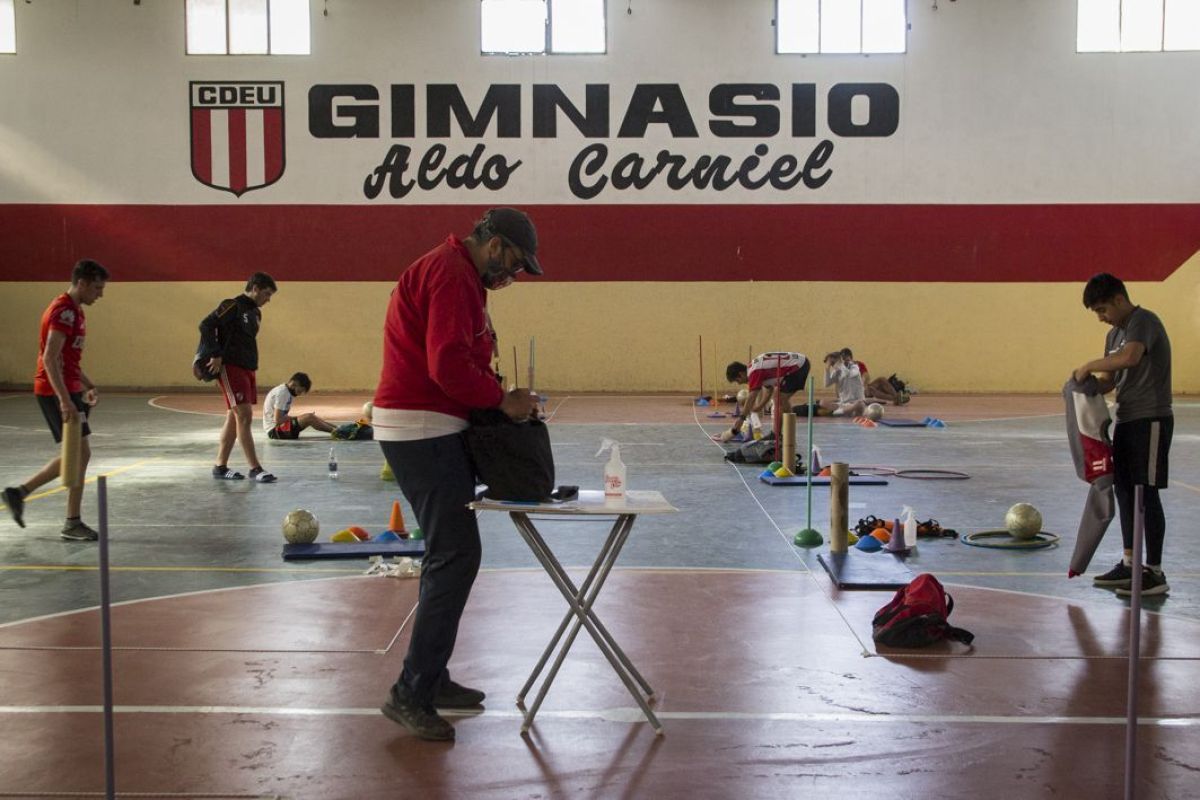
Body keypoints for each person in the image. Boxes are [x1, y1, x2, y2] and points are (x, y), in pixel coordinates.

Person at [374, 207, 542, 741]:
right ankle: (411, 692)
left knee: (449, 554)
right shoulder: (451, 274)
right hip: (422, 426)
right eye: (514, 261)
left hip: (429, 425)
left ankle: (431, 675)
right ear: (494, 244)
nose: (512, 274)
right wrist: (502, 400)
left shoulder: (457, 273)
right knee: (455, 555)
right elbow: (445, 364)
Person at [1074, 273, 1173, 596]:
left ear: (1119, 299)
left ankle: (1154, 572)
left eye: (1103, 310)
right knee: (1125, 491)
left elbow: (1130, 357)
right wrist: (1085, 386)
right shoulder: (1114, 335)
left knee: (1147, 493)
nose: (1101, 318)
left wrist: (1089, 364)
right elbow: (1110, 381)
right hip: (1127, 420)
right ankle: (1130, 564)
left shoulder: (1143, 321)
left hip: (1151, 419)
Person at [3, 259, 109, 541]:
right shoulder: (63, 312)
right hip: (54, 391)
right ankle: (71, 522)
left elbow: (68, 360)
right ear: (81, 283)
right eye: (97, 288)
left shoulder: (76, 311)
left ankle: (19, 493)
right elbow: (50, 358)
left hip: (69, 388)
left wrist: (88, 384)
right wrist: (64, 400)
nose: (100, 294)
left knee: (78, 454)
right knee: (80, 454)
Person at [200, 272, 278, 482]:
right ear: (255, 288)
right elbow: (206, 325)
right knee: (244, 416)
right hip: (230, 367)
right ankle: (255, 468)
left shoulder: (256, 313)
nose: (268, 299)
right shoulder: (232, 305)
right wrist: (215, 354)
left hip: (247, 367)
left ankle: (220, 466)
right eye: (266, 294)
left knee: (233, 417)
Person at [724, 352, 811, 439]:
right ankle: (783, 434)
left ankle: (780, 435)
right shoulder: (755, 369)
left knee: (779, 398)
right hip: (799, 363)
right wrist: (759, 407)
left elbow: (751, 397)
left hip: (799, 366)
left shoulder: (754, 372)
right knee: (778, 397)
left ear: (741, 374)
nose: (739, 383)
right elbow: (769, 391)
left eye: (737, 380)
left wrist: (741, 418)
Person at [262, 372, 336, 439]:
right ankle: (337, 432)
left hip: (278, 429)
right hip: (275, 431)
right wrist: (299, 418)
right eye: (300, 390)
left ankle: (337, 429)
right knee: (309, 417)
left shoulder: (285, 391)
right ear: (294, 384)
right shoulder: (282, 393)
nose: (300, 394)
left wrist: (300, 418)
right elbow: (278, 420)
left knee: (312, 417)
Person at [841, 347, 907, 405]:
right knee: (871, 389)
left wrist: (863, 384)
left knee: (881, 379)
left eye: (846, 359)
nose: (844, 362)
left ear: (851, 357)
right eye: (843, 360)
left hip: (863, 387)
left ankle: (896, 396)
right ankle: (896, 398)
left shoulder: (859, 364)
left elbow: (866, 375)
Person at [823, 351, 867, 417]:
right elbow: (826, 384)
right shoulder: (836, 372)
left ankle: (841, 412)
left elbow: (849, 374)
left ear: (839, 360)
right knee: (822, 402)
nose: (832, 365)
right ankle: (844, 411)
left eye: (833, 363)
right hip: (843, 404)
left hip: (855, 403)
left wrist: (840, 365)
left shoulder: (854, 367)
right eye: (831, 364)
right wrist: (827, 369)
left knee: (860, 404)